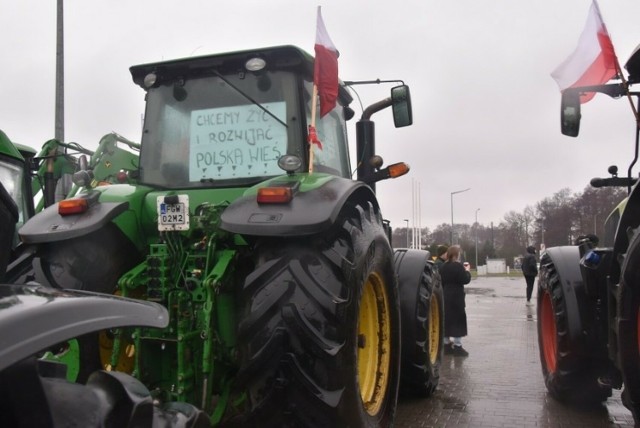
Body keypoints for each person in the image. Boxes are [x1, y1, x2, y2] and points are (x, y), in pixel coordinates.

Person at [440, 245, 472, 356]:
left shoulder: (443, 267)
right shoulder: (458, 267)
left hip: (445, 294)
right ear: (456, 255)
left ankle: (446, 345)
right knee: (458, 320)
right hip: (457, 296)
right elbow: (465, 280)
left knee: (447, 319)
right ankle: (458, 346)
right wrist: (467, 271)